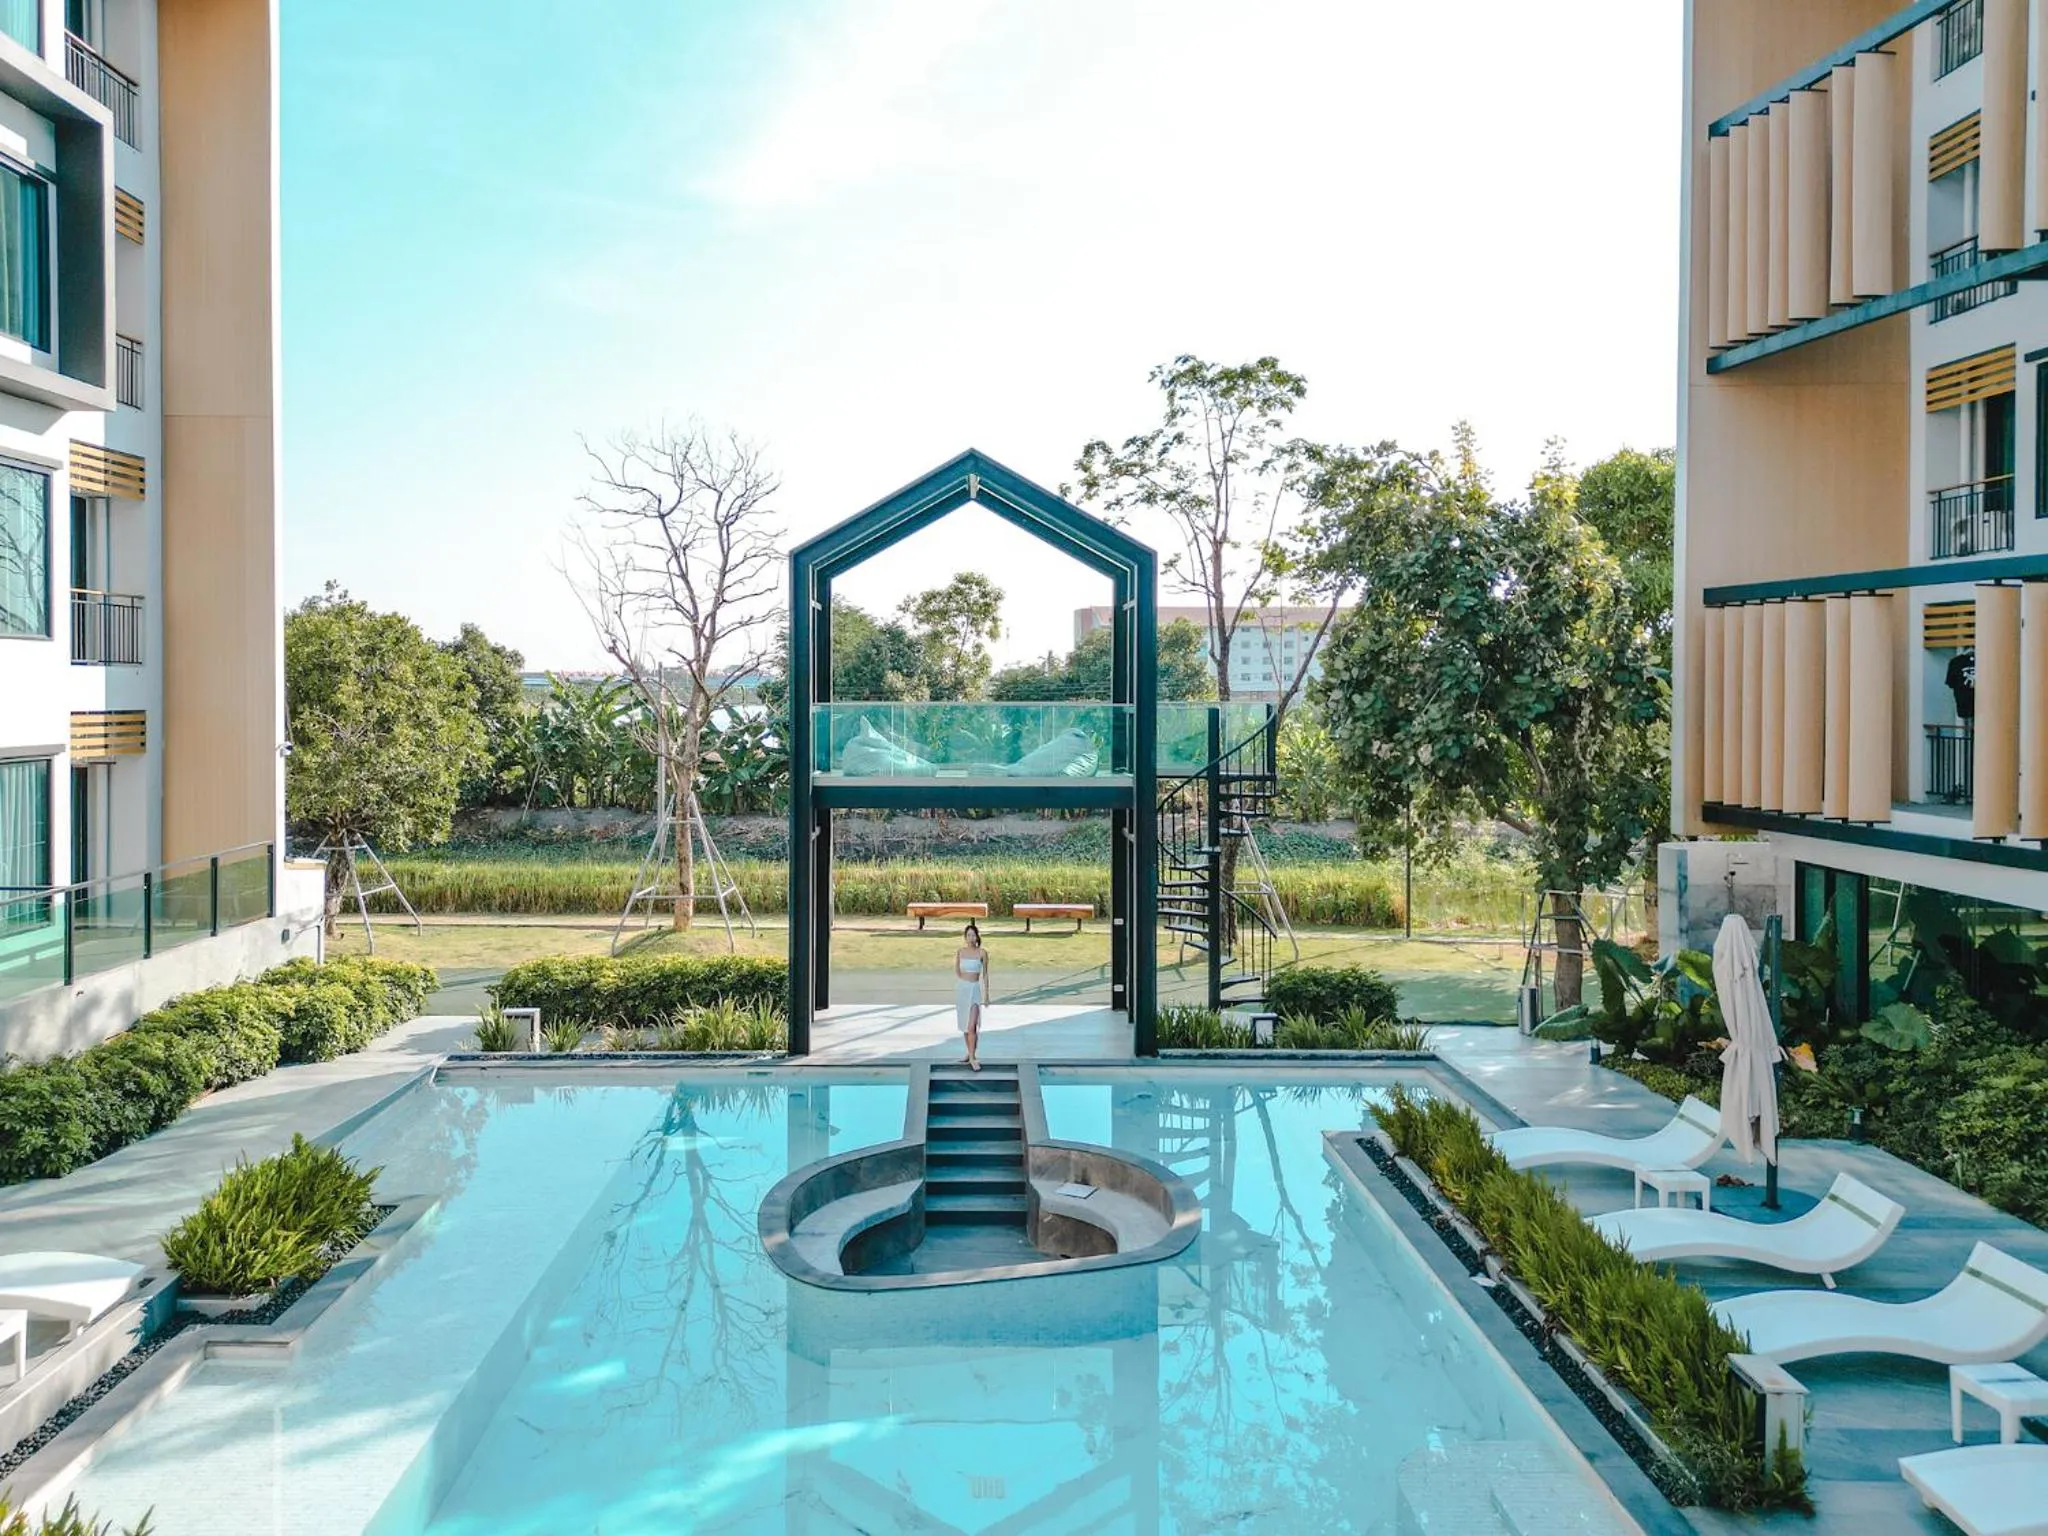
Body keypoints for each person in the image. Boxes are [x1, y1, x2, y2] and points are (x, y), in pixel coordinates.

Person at [954, 922, 990, 1071]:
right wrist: (964, 981)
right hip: (963, 990)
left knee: (972, 1026)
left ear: (977, 937)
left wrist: (987, 994)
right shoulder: (960, 952)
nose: (971, 938)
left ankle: (973, 1058)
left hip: (974, 990)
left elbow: (985, 974)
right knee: (965, 1025)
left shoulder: (982, 953)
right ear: (965, 937)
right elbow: (957, 970)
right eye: (968, 935)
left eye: (973, 935)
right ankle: (969, 1054)